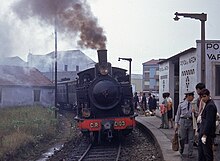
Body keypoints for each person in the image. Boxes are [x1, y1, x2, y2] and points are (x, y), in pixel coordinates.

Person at [198, 88, 217, 161]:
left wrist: (205, 134)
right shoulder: (207, 104)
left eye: (204, 96)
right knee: (202, 153)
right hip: (203, 131)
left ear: (208, 96)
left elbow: (209, 121)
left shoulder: (210, 106)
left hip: (207, 134)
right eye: (201, 97)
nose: (203, 98)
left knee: (207, 153)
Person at [175, 91, 195, 158]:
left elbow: (197, 113)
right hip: (183, 121)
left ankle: (190, 153)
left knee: (191, 139)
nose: (193, 97)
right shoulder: (181, 104)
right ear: (188, 96)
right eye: (192, 96)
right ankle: (181, 149)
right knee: (182, 138)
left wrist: (195, 112)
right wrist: (176, 123)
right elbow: (178, 114)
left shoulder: (194, 104)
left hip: (191, 121)